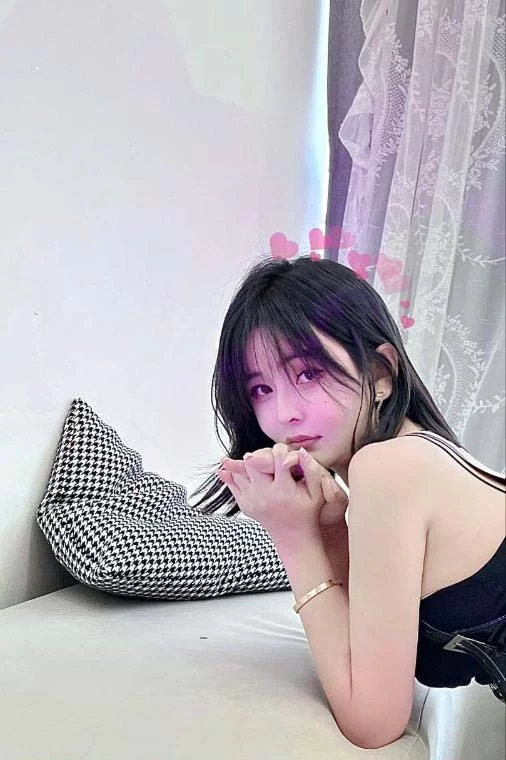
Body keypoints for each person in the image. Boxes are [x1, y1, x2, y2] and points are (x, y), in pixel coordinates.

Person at [188, 255, 505, 747]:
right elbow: (374, 652)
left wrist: (293, 537)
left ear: (380, 374)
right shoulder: (415, 460)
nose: (283, 413)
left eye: (308, 373)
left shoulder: (390, 468)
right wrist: (331, 529)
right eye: (261, 388)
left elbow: (373, 722)